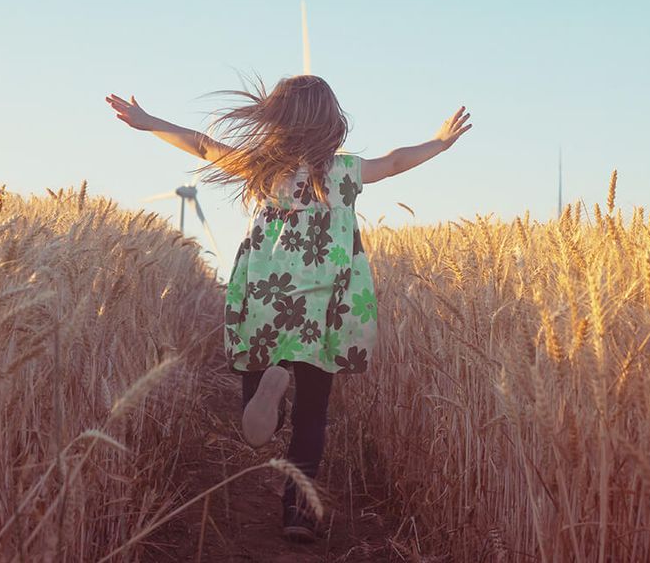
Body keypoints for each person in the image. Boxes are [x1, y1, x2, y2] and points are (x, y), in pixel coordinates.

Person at [106, 75, 472, 543]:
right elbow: (397, 161)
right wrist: (440, 142)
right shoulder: (343, 171)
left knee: (261, 377)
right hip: (323, 303)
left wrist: (147, 121)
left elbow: (202, 145)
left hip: (267, 294)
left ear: (276, 118)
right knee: (314, 413)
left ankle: (267, 399)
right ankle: (297, 511)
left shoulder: (263, 167)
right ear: (331, 121)